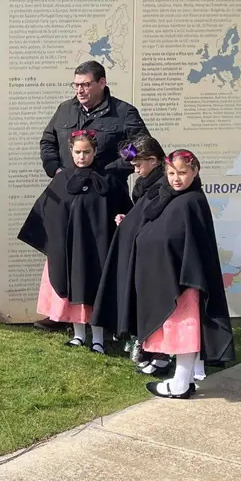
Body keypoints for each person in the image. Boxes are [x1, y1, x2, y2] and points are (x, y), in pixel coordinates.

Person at [94, 149, 235, 399]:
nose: (176, 178)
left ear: (195, 171)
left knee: (184, 329)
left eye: (182, 172)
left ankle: (180, 384)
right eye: (171, 173)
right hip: (172, 276)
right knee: (179, 328)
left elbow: (183, 240)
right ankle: (186, 379)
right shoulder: (169, 197)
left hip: (184, 280)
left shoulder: (191, 202)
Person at [36, 61, 149, 332]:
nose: (80, 90)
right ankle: (61, 314)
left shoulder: (123, 112)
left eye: (86, 84)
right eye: (76, 85)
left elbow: (139, 147)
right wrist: (56, 169)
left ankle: (102, 319)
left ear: (102, 82)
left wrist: (109, 170)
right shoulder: (65, 109)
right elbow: (47, 142)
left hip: (105, 201)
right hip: (69, 199)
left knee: (99, 259)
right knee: (63, 254)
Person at [19, 130, 130, 354]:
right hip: (71, 248)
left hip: (100, 249)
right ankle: (79, 334)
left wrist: (122, 221)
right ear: (70, 151)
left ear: (95, 151)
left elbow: (124, 210)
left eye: (86, 152)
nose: (82, 157)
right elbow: (46, 209)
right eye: (77, 152)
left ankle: (98, 337)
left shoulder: (109, 180)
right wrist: (56, 243)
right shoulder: (61, 180)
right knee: (74, 288)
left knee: (97, 290)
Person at [113, 136, 171, 371]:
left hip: (154, 254)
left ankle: (161, 352)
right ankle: (146, 345)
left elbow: (156, 216)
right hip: (141, 250)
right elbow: (142, 213)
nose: (136, 170)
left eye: (138, 165)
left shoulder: (162, 186)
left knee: (154, 299)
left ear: (154, 161)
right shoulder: (146, 184)